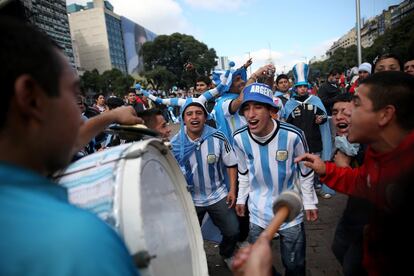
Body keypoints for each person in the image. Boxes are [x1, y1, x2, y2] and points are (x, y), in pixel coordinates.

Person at [0, 16, 139, 275]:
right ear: (31, 99)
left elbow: (71, 139)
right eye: (73, 94)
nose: (79, 114)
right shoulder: (81, 244)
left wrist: (111, 116)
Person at [295, 71, 414, 275]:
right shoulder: (378, 152)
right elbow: (362, 181)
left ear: (385, 115)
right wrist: (326, 169)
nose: (345, 113)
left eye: (356, 104)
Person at [233, 82, 318, 276]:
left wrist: (310, 201)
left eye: (257, 107)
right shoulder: (239, 139)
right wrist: (241, 198)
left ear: (271, 110)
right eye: (246, 108)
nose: (250, 114)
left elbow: (306, 171)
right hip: (257, 213)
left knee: (295, 266)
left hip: (290, 215)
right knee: (259, 263)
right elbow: (243, 171)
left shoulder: (293, 136)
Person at [170, 99, 240, 269]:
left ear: (205, 116)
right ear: (183, 118)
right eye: (189, 114)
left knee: (233, 231)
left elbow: (231, 164)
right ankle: (195, 263)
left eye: (199, 113)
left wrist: (232, 189)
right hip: (190, 199)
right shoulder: (174, 143)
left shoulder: (218, 136)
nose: (194, 117)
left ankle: (227, 253)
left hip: (217, 194)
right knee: (187, 236)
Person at [329, 93, 372, 276]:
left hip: (371, 220)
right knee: (338, 247)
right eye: (335, 112)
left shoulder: (372, 145)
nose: (339, 117)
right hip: (352, 214)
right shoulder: (345, 143)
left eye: (346, 112)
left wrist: (344, 169)